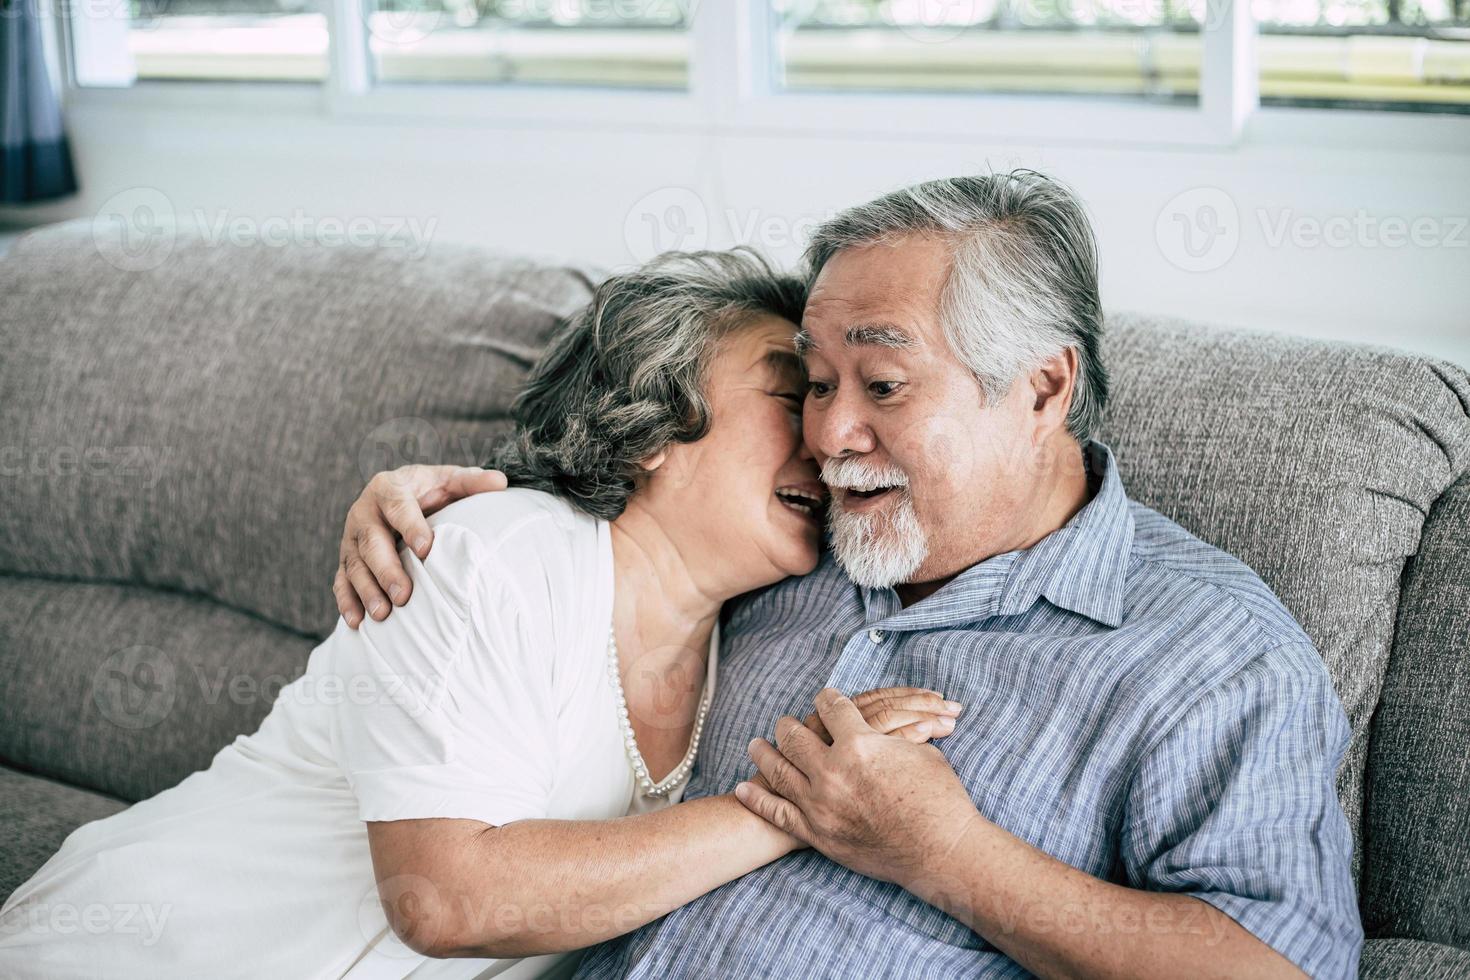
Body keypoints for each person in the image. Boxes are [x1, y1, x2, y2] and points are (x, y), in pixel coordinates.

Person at [337, 171, 1364, 979]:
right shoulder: (799, 541)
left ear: (1044, 386)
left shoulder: (1211, 652)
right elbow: (636, 506)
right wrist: (445, 500)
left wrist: (947, 852)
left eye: (883, 383)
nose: (827, 433)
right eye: (816, 384)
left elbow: (1279, 963)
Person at [0, 249, 963, 980]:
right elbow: (450, 898)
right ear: (654, 423)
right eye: (793, 396)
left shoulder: (767, 627)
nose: (827, 438)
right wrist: (800, 807)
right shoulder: (489, 552)